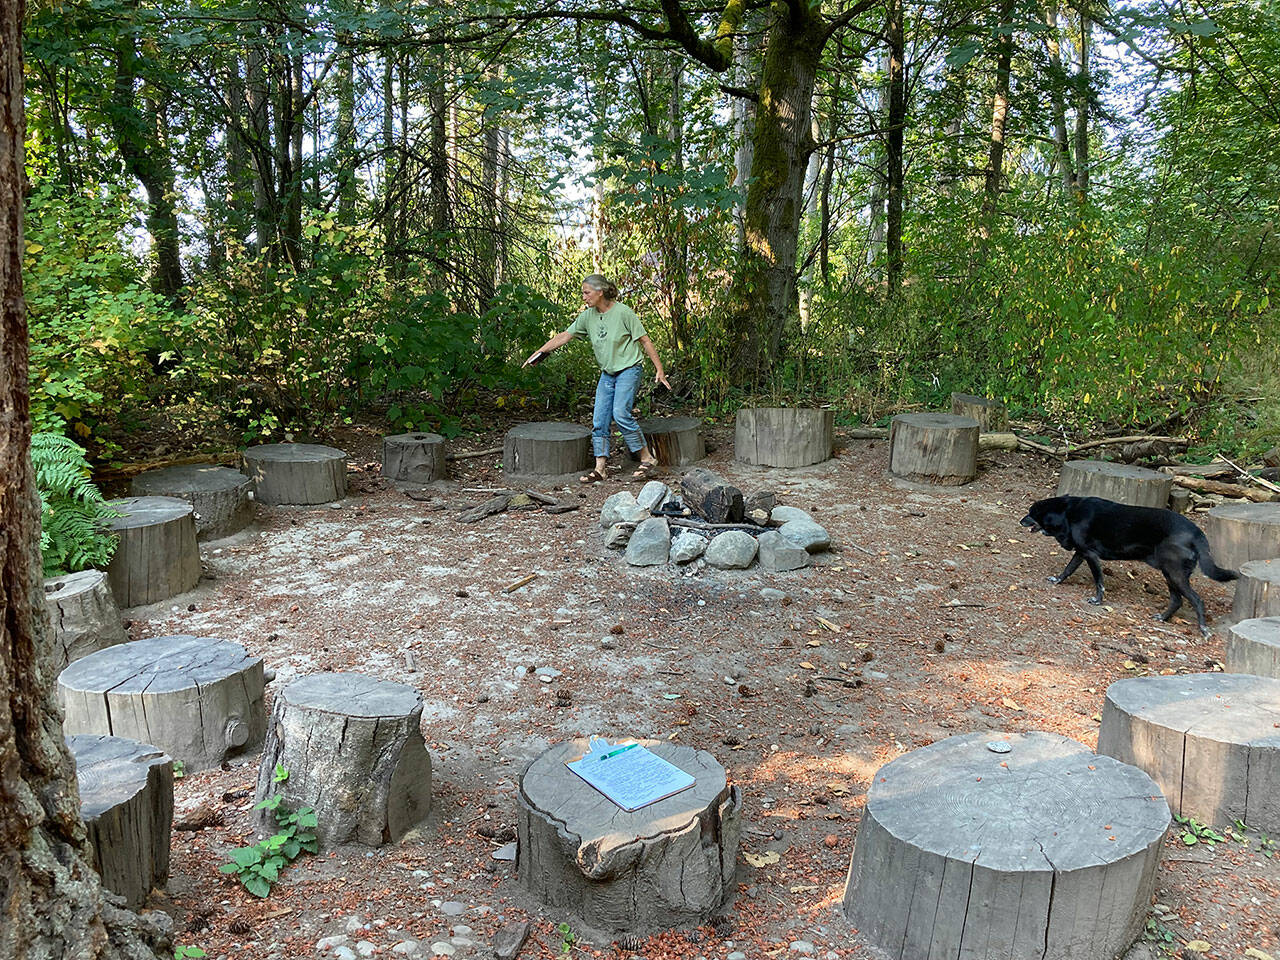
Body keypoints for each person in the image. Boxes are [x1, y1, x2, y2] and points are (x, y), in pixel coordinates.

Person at [523, 274, 671, 483]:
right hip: (608, 373)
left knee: (620, 413)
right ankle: (600, 468)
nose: (584, 297)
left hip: (629, 369)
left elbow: (645, 341)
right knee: (599, 419)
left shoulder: (623, 312)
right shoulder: (588, 316)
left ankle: (647, 458)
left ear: (600, 292)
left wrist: (660, 370)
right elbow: (565, 335)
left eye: (586, 292)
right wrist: (540, 352)